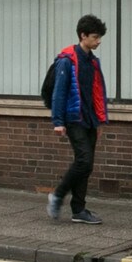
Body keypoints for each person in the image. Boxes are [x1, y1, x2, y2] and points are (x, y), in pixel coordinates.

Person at [47, 13, 109, 225]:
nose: (98, 41)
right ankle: (57, 195)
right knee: (83, 160)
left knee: (87, 165)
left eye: (100, 37)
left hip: (89, 118)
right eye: (95, 36)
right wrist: (58, 122)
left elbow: (97, 93)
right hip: (73, 118)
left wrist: (99, 120)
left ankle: (79, 210)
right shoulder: (67, 61)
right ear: (83, 36)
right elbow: (59, 93)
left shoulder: (92, 62)